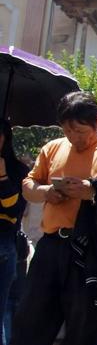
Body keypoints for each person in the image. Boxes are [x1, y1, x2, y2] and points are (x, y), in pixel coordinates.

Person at [12, 91, 97, 345]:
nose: (74, 138)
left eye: (81, 131)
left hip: (91, 251)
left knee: (86, 326)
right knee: (30, 319)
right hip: (50, 245)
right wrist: (46, 192)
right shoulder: (53, 148)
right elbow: (29, 184)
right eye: (68, 131)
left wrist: (93, 191)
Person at [0, 120, 28, 345]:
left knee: (7, 309)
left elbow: (14, 209)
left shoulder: (17, 170)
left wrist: (2, 177)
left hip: (4, 245)